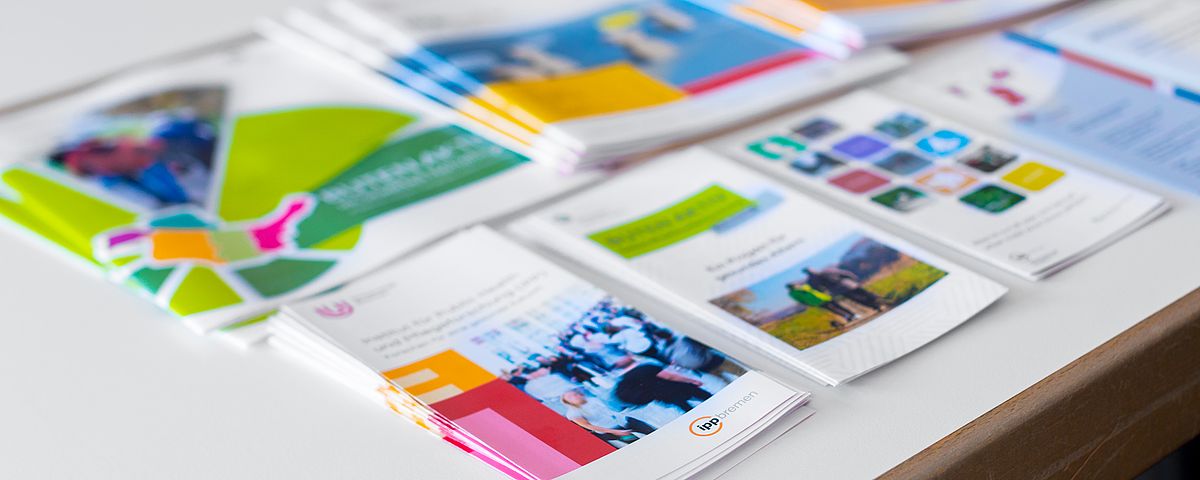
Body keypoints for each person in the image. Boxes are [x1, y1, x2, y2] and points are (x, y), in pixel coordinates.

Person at [561, 389, 655, 444]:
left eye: (575, 394)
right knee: (636, 442)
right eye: (570, 397)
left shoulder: (592, 399)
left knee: (651, 431)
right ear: (567, 402)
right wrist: (615, 432)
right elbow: (589, 426)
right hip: (612, 429)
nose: (575, 396)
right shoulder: (573, 413)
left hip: (623, 420)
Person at [613, 363, 711, 412]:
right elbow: (670, 377)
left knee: (685, 407)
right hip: (677, 387)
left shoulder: (627, 377)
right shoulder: (646, 367)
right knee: (704, 396)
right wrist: (692, 381)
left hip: (663, 396)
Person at [802, 267, 887, 312]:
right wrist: (853, 278)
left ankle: (878, 304)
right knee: (863, 295)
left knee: (860, 297)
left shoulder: (812, 280)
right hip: (846, 285)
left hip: (841, 288)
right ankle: (879, 303)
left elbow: (817, 289)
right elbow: (845, 273)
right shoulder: (827, 271)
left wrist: (827, 292)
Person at [786, 282, 856, 328]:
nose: (795, 286)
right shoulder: (793, 293)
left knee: (839, 307)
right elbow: (800, 300)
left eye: (794, 285)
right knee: (833, 310)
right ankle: (848, 317)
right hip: (816, 302)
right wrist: (808, 304)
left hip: (823, 298)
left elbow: (813, 289)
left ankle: (853, 314)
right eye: (792, 286)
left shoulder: (804, 287)